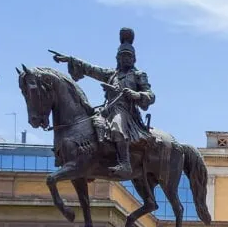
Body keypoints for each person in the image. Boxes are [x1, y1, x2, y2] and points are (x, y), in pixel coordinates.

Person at [51, 28, 155, 178]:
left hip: (125, 111)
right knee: (87, 127)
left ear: (133, 59)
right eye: (122, 56)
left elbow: (150, 95)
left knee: (116, 128)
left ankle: (125, 164)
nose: (125, 59)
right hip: (108, 109)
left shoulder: (138, 75)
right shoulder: (111, 74)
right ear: (117, 58)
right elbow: (91, 69)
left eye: (128, 56)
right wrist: (70, 59)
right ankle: (89, 163)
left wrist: (136, 94)